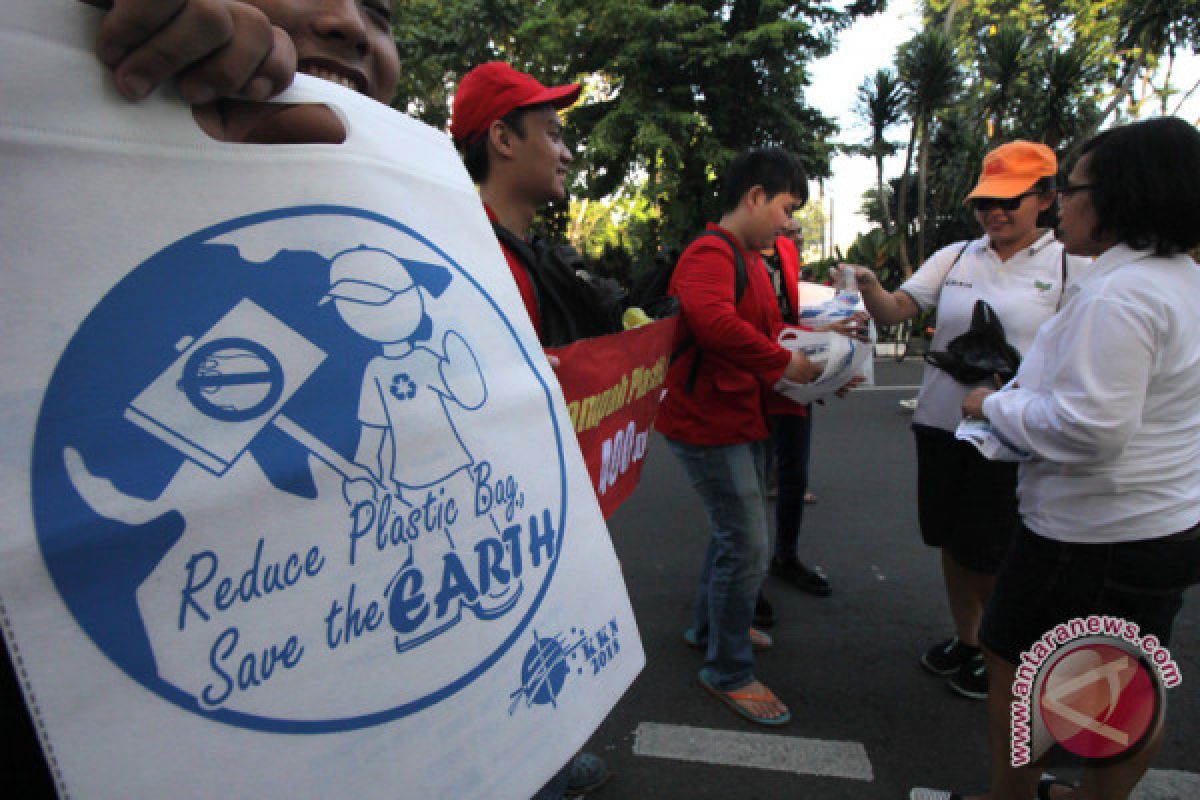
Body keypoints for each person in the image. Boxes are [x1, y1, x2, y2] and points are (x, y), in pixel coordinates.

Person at [925, 117, 1200, 800]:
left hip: (1091, 537)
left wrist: (992, 407)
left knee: (1018, 667)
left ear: (1119, 198)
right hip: (1156, 525)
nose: (1063, 203)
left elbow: (1091, 428)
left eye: (1071, 189)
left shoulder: (1119, 294)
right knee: (1128, 678)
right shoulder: (1180, 280)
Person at [852, 141, 1086, 701]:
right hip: (939, 424)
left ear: (1047, 199)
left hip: (1009, 436)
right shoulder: (956, 256)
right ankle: (969, 638)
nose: (994, 212)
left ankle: (1003, 648)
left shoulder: (1071, 264)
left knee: (992, 550)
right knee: (951, 542)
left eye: (1010, 200)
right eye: (985, 202)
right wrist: (866, 289)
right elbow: (897, 310)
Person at [450, 61, 610, 799]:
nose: (567, 150)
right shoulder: (464, 251)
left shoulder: (524, 250)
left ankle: (546, 753)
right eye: (552, 133)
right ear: (502, 142)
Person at [657, 147, 819, 727]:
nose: (790, 221)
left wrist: (821, 351)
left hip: (738, 416)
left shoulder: (748, 257)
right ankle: (728, 668)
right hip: (708, 422)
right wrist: (782, 361)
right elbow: (713, 323)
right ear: (753, 197)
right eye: (786, 207)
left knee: (734, 534)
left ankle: (710, 626)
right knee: (748, 542)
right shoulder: (711, 252)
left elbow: (763, 329)